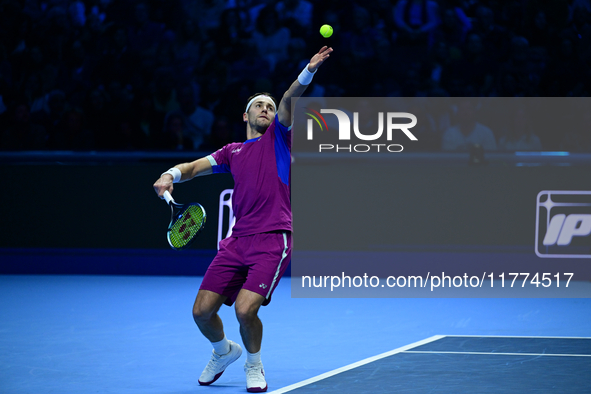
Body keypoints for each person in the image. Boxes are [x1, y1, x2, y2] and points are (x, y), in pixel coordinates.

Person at [152, 46, 333, 392]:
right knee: (201, 312)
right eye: (258, 106)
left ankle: (254, 364)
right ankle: (223, 352)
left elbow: (289, 100)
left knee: (245, 310)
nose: (266, 109)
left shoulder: (279, 138)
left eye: (269, 105)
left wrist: (307, 71)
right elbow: (192, 168)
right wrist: (170, 174)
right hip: (237, 241)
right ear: (245, 116)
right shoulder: (231, 152)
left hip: (273, 238)